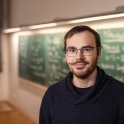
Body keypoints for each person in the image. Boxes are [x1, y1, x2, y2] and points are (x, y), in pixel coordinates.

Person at [39, 25, 124, 124]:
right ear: (65, 54)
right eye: (72, 50)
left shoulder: (120, 94)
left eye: (86, 49)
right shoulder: (52, 95)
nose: (79, 57)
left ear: (99, 52)